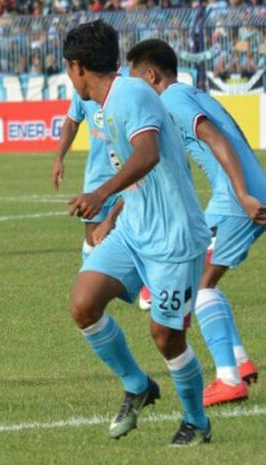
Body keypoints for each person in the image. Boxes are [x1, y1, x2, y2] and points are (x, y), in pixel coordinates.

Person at [64, 20, 212, 445]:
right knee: (84, 303)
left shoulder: (131, 94)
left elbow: (146, 154)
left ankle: (197, 421)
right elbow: (140, 169)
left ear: (76, 67)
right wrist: (112, 217)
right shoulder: (110, 102)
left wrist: (101, 194)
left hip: (173, 238)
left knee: (166, 337)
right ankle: (137, 384)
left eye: (67, 70)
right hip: (133, 230)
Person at [127, 39, 266, 407]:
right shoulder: (192, 93)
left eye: (135, 80)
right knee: (203, 279)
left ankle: (228, 379)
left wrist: (242, 194)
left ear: (152, 76)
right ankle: (238, 361)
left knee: (198, 283)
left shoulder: (172, 98)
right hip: (242, 193)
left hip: (237, 199)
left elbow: (217, 138)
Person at [51, 89, 121, 262]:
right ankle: (90, 278)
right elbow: (72, 122)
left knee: (130, 237)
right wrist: (59, 158)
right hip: (97, 176)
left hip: (130, 174)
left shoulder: (129, 82)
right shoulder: (84, 87)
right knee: (93, 237)